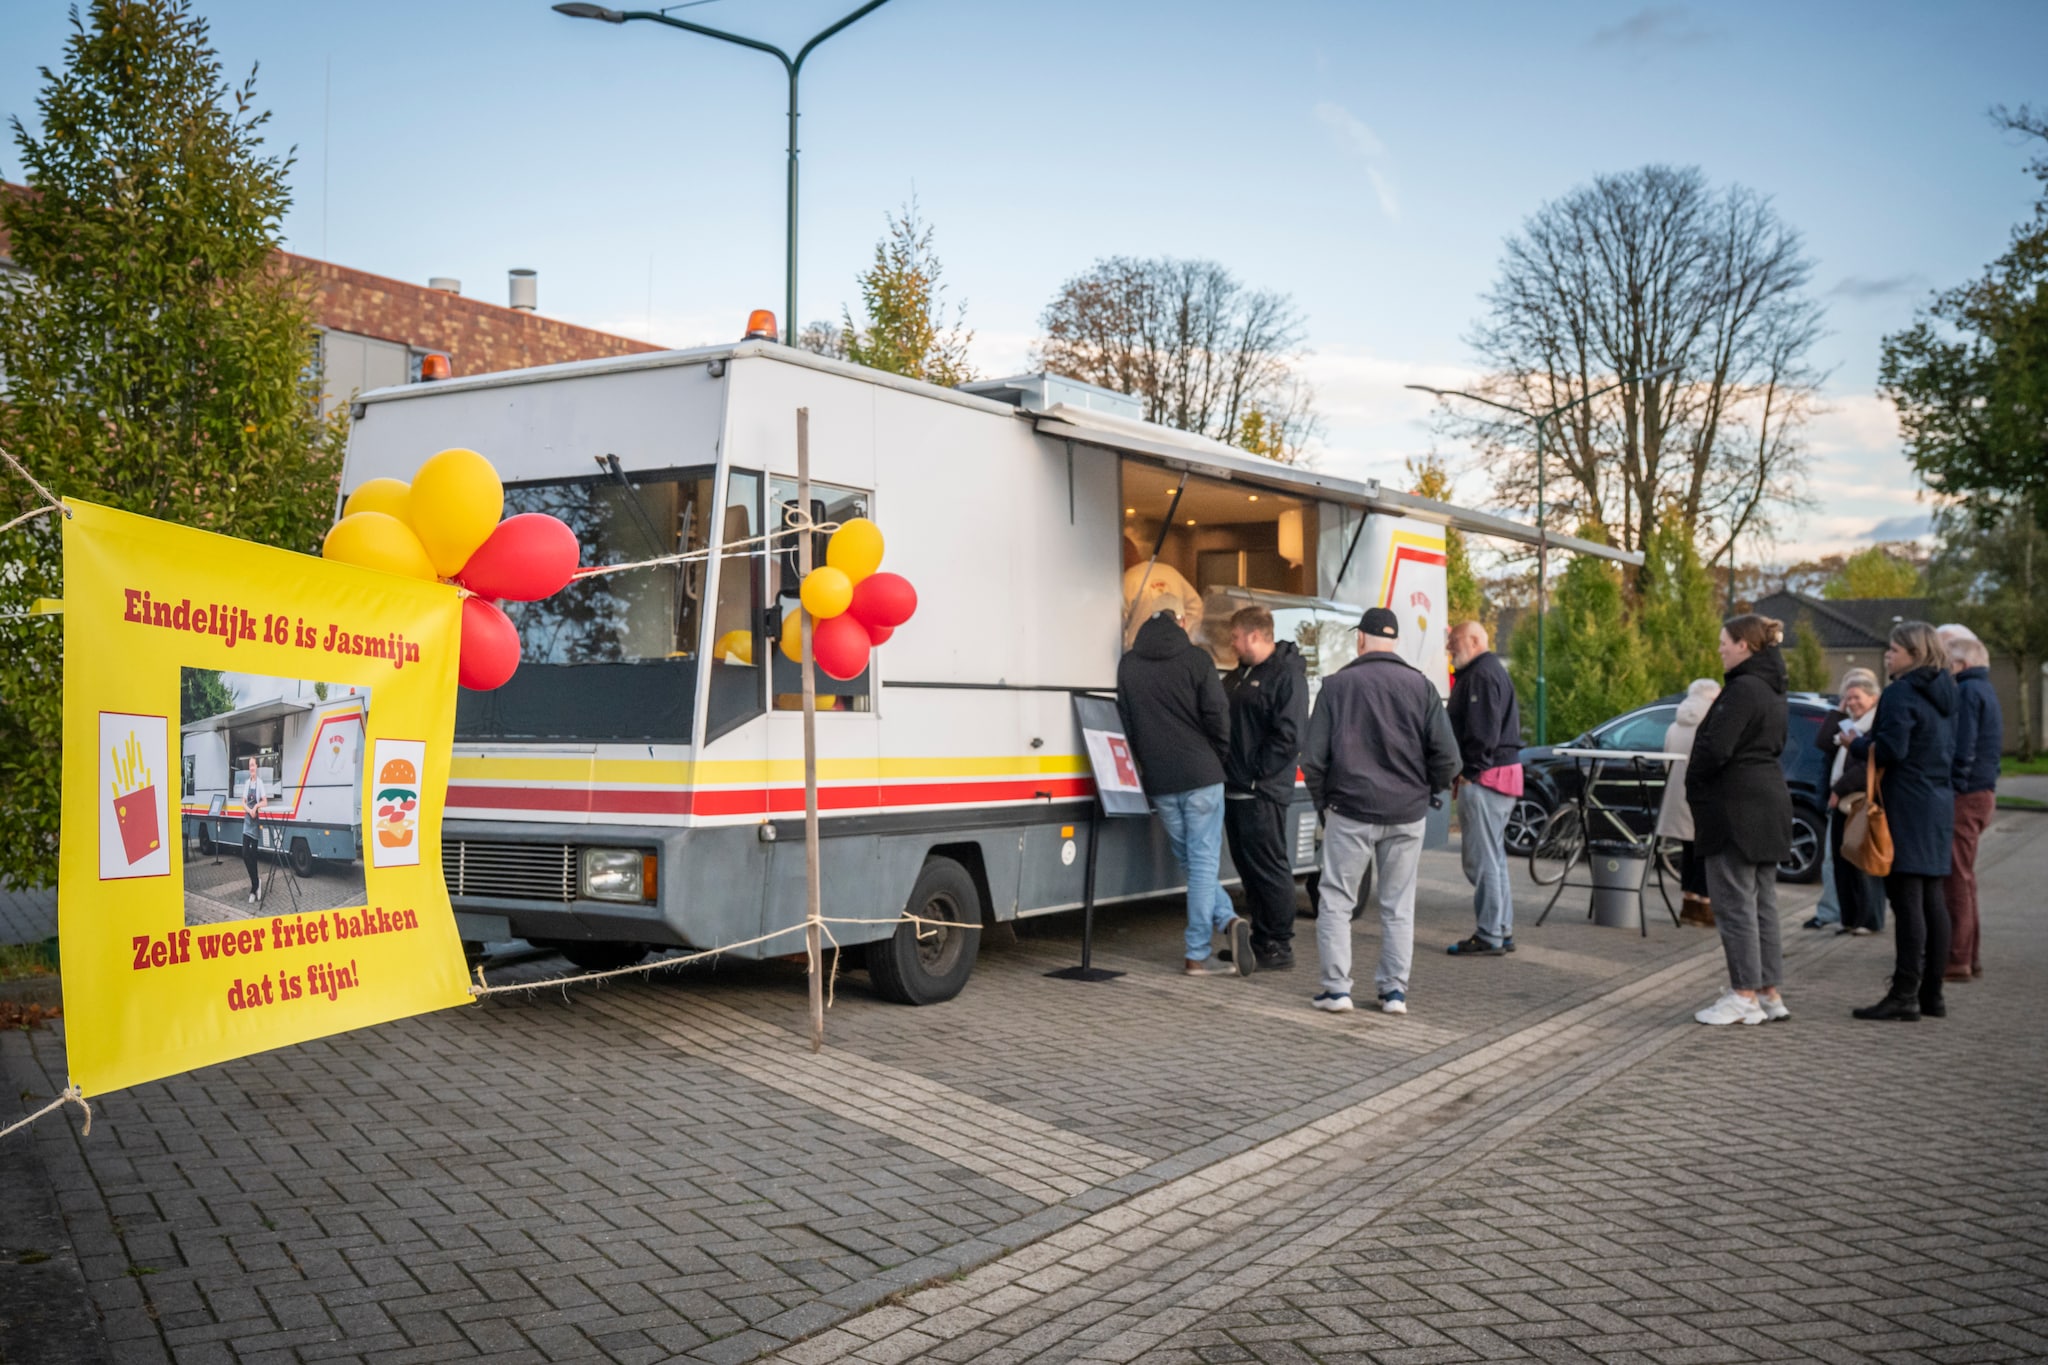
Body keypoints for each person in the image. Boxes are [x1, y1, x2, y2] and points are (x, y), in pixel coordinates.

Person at [1301, 607, 1459, 1014]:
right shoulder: (1421, 687)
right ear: (1395, 641)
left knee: (1336, 899)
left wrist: (1324, 803)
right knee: (1398, 905)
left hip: (1349, 809)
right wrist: (1427, 791)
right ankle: (1394, 993)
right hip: (1406, 813)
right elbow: (1448, 758)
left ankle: (1337, 989)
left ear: (1361, 639)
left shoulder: (1336, 687)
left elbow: (1314, 758)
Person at [1116, 593, 1254, 977]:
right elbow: (1217, 714)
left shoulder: (1128, 665)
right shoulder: (1197, 660)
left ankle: (1227, 920)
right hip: (1201, 776)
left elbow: (1126, 723)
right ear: (1180, 620)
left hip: (1160, 780)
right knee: (1203, 862)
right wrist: (1218, 756)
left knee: (1193, 864)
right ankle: (1196, 954)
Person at [1685, 614, 1794, 1027]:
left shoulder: (1743, 689)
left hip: (1735, 806)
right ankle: (1769, 992)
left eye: (1724, 642)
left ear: (1744, 646)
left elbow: (1716, 748)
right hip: (1769, 801)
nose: (1720, 649)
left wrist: (1695, 780)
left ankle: (1743, 994)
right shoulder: (1772, 688)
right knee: (1763, 904)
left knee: (1734, 905)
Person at [1850, 621, 1958, 1022]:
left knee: (1907, 899)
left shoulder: (1900, 692)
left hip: (1906, 802)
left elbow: (1892, 749)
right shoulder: (1949, 691)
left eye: (1893, 650)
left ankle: (1904, 994)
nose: (1887, 656)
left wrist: (1856, 743)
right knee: (1933, 898)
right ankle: (1933, 995)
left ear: (1914, 653)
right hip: (1938, 800)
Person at [1221, 606, 1309, 971]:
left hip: (1262, 791)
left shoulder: (1286, 676)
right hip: (1235, 789)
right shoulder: (1238, 677)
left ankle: (1279, 944)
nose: (1232, 642)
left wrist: (1258, 775)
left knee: (1270, 867)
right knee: (1249, 868)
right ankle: (1259, 938)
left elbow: (1289, 736)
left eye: (1236, 637)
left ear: (1254, 636)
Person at [1444, 621, 1522, 956]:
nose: (1450, 647)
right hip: (1501, 774)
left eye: (1455, 641)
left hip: (1486, 777)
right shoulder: (1488, 671)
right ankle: (1501, 929)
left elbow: (1482, 731)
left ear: (1475, 640)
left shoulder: (1480, 676)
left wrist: (1471, 772)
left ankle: (1490, 932)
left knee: (1482, 859)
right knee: (1494, 857)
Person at [1940, 625, 1999, 984]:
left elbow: (1964, 747)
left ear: (1960, 664)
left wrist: (1953, 786)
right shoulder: (1986, 690)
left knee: (1956, 879)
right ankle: (1969, 956)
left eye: (1948, 663)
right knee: (1966, 877)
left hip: (1966, 795)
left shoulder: (1965, 692)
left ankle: (1957, 958)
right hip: (1983, 792)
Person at [1819, 669, 1886, 937]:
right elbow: (1824, 741)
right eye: (1849, 699)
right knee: (1841, 860)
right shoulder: (1849, 726)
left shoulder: (1874, 726)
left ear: (1873, 698)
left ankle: (1868, 919)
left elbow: (1865, 766)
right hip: (1842, 805)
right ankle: (1849, 918)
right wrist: (1839, 710)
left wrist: (1838, 788)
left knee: (1862, 862)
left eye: (1857, 698)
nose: (1853, 703)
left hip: (1859, 802)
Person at [1655, 679, 1721, 928]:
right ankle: (1704, 906)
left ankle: (1688, 903)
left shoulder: (1675, 725)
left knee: (1688, 850)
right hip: (1702, 796)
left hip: (1677, 795)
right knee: (1705, 851)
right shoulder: (1711, 724)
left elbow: (1665, 760)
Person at [240, 756, 268, 906]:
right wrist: (248, 809)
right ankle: (256, 882)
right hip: (247, 822)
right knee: (244, 853)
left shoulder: (260, 783)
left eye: (253, 765)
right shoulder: (246, 783)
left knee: (253, 855)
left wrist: (256, 807)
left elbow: (265, 801)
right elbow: (242, 802)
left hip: (255, 823)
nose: (251, 768)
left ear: (256, 767)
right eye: (250, 765)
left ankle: (254, 888)